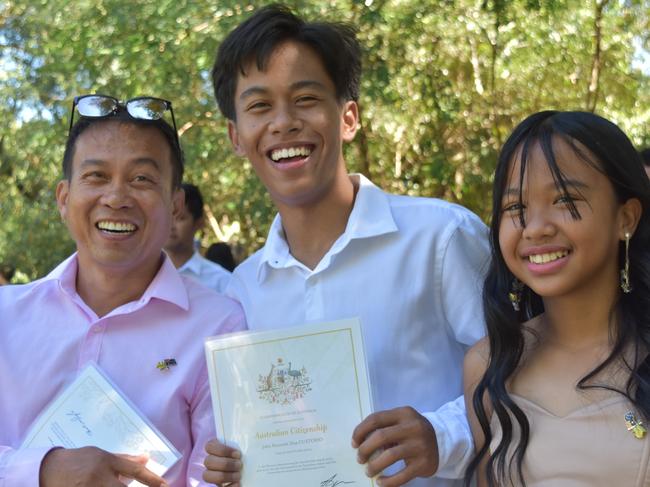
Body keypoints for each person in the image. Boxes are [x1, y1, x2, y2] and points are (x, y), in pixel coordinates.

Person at [203, 6, 489, 487]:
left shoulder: (441, 238)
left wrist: (442, 437)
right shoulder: (243, 290)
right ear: (236, 136)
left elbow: (525, 378)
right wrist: (234, 464)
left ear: (348, 117)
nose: (283, 122)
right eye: (258, 107)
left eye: (305, 98)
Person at [0, 94, 245, 487]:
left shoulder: (220, 327)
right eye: (96, 176)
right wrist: (43, 471)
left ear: (175, 204)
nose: (116, 198)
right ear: (64, 199)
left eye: (141, 179)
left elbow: (213, 477)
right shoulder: (5, 316)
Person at [463, 111, 650, 486]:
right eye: (515, 209)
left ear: (626, 218)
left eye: (564, 199)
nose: (536, 228)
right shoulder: (488, 364)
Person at [165, 182, 232, 292]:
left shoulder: (221, 282)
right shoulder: (140, 276)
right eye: (167, 216)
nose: (171, 225)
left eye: (180, 218)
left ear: (199, 223)